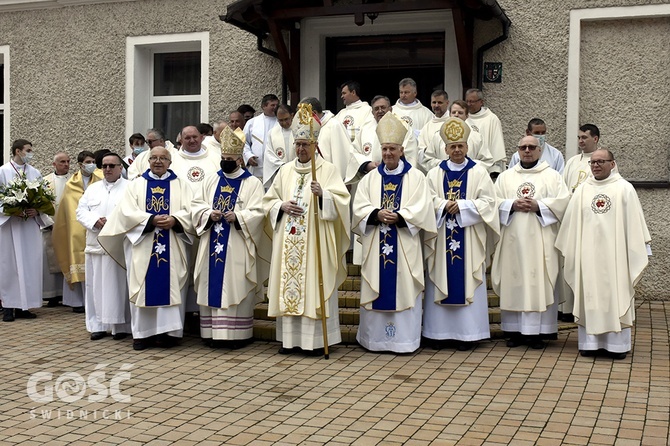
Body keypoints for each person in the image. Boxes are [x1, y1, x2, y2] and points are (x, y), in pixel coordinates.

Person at [263, 106, 350, 355]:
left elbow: (343, 202)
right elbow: (268, 202)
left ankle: (314, 342)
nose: (301, 149)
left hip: (315, 242)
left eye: (306, 144)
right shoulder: (285, 171)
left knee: (313, 285)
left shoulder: (327, 170)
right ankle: (289, 341)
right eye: (298, 144)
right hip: (288, 239)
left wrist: (324, 196)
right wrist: (281, 205)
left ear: (315, 145)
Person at [352, 112, 437, 353]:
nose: (388, 153)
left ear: (401, 150)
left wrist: (402, 216)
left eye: (392, 148)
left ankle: (403, 341)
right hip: (376, 239)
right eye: (384, 149)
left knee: (404, 287)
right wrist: (375, 214)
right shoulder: (370, 179)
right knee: (378, 284)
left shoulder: (416, 177)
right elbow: (359, 207)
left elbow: (423, 207)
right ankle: (374, 340)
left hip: (403, 243)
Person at [556, 149, 651, 360]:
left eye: (601, 161)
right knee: (589, 295)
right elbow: (571, 226)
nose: (596, 165)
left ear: (612, 164)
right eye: (593, 162)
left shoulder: (625, 189)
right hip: (587, 256)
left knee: (614, 296)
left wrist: (636, 252)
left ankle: (617, 346)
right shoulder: (582, 190)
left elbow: (635, 226)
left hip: (616, 258)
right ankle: (590, 343)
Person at [98, 147, 194, 350]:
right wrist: (150, 220)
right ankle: (142, 334)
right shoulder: (136, 185)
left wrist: (175, 220)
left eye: (163, 158)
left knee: (171, 287)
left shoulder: (182, 185)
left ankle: (169, 333)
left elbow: (191, 211)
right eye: (154, 158)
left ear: (170, 162)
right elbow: (125, 212)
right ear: (148, 161)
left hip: (172, 243)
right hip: (142, 245)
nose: (158, 162)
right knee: (142, 288)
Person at [423, 118, 499, 350]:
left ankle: (468, 334)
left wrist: (464, 206)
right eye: (452, 146)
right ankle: (438, 333)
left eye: (461, 146)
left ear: (467, 147)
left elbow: (489, 202)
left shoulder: (479, 172)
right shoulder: (434, 173)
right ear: (445, 149)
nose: (456, 150)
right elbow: (426, 201)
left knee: (466, 278)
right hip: (441, 234)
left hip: (469, 236)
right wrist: (443, 205)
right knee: (441, 277)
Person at [492, 136, 570, 349]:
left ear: (540, 150)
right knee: (514, 281)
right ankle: (513, 331)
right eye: (523, 147)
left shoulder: (553, 176)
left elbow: (564, 202)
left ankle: (538, 332)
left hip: (541, 242)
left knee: (538, 281)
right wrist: (510, 204)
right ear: (517, 151)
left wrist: (539, 206)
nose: (527, 151)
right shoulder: (505, 177)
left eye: (531, 147)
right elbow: (492, 203)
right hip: (512, 241)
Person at [192, 127, 266, 348]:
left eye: (230, 158)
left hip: (236, 243)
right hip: (212, 240)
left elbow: (259, 212)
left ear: (240, 159)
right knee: (211, 283)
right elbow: (196, 206)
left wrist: (240, 217)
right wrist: (208, 213)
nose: (225, 161)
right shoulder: (210, 181)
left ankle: (236, 335)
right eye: (223, 158)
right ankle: (211, 333)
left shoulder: (252, 183)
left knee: (234, 284)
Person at [76, 153, 130, 340]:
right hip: (95, 245)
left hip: (118, 246)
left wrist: (112, 220)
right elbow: (80, 211)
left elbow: (133, 212)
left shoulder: (130, 188)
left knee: (119, 286)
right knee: (94, 287)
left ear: (120, 168)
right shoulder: (93, 189)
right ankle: (96, 325)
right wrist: (94, 221)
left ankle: (120, 327)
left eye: (112, 166)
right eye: (104, 166)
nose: (107, 169)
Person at [1, 139, 52, 322]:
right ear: (17, 151)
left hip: (29, 225)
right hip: (10, 225)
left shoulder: (35, 172)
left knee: (30, 264)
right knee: (9, 266)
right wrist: (11, 208)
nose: (31, 153)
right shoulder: (3, 171)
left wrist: (37, 210)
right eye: (28, 150)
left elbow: (45, 198)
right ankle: (8, 306)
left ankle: (25, 306)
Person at [53, 150, 102, 313]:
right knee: (77, 260)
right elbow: (67, 209)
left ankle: (95, 301)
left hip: (96, 226)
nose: (91, 165)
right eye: (88, 162)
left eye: (93, 161)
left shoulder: (100, 179)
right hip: (76, 228)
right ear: (80, 164)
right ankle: (77, 301)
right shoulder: (71, 184)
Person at [419, 99, 492, 173]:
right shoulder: (438, 136)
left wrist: (467, 164)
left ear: (467, 115)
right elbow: (427, 160)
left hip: (470, 177)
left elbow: (487, 161)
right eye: (454, 112)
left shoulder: (476, 137)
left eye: (460, 113)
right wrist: (446, 165)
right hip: (444, 176)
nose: (456, 115)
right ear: (450, 114)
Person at [350, 95, 418, 175]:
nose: (380, 111)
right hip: (370, 177)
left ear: (391, 109)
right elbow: (354, 151)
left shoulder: (403, 126)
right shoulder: (365, 127)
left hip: (396, 176)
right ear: (372, 112)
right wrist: (366, 165)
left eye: (383, 107)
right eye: (376, 109)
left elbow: (410, 153)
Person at [297, 97, 359, 183]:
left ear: (314, 113)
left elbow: (341, 157)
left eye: (304, 116)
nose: (301, 120)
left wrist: (340, 181)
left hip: (329, 179)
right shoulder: (307, 129)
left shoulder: (334, 125)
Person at [42, 152, 71, 307]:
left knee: (67, 258)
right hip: (51, 226)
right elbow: (40, 205)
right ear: (54, 164)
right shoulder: (45, 181)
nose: (66, 164)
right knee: (51, 260)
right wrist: (48, 222)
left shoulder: (75, 180)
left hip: (69, 227)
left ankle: (67, 294)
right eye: (62, 162)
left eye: (67, 161)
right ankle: (52, 294)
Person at [465, 88, 506, 177]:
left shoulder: (491, 119)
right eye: (467, 101)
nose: (468, 104)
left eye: (472, 101)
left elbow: (496, 145)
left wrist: (495, 169)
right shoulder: (463, 118)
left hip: (486, 169)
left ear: (481, 102)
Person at [243, 94, 279, 181]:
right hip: (258, 167)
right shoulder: (252, 122)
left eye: (277, 105)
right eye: (272, 105)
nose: (275, 107)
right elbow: (243, 142)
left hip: (276, 167)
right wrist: (248, 156)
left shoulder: (281, 122)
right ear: (264, 106)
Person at [262, 104, 294, 189]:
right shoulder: (272, 133)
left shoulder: (300, 131)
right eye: (280, 120)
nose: (284, 123)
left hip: (297, 171)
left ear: (292, 115)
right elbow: (269, 154)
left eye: (286, 119)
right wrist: (282, 166)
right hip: (280, 172)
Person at [564, 124, 600, 193]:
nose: (580, 141)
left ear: (595, 139)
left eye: (584, 137)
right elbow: (563, 186)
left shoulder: (604, 162)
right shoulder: (572, 161)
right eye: (579, 138)